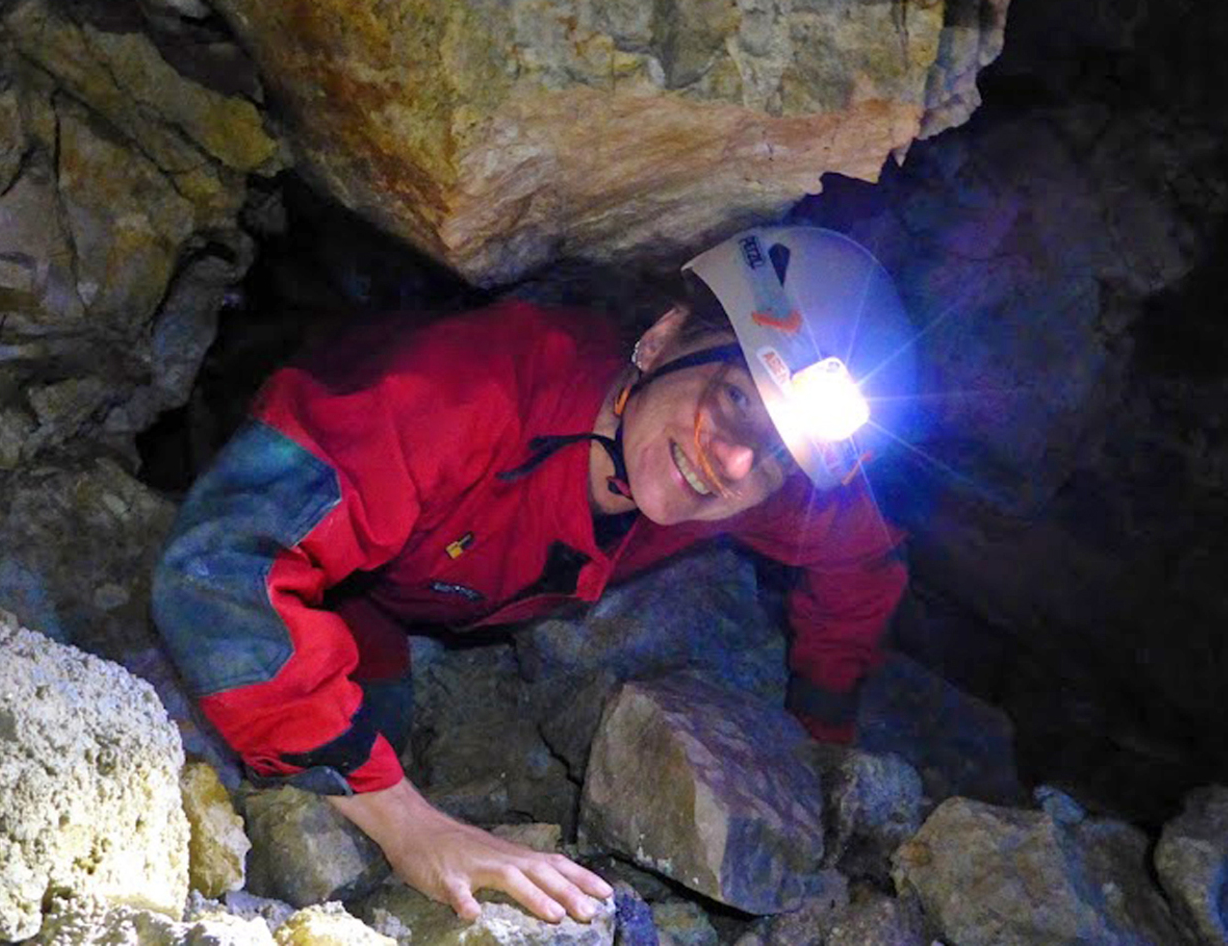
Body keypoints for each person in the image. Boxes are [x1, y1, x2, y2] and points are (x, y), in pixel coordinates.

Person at [151, 225, 915, 924]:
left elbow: (860, 561)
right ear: (662, 339)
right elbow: (220, 567)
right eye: (736, 397)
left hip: (389, 596)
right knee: (334, 799)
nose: (736, 463)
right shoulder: (463, 396)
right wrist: (414, 827)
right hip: (273, 452)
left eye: (779, 460)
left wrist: (818, 735)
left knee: (362, 749)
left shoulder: (729, 478)